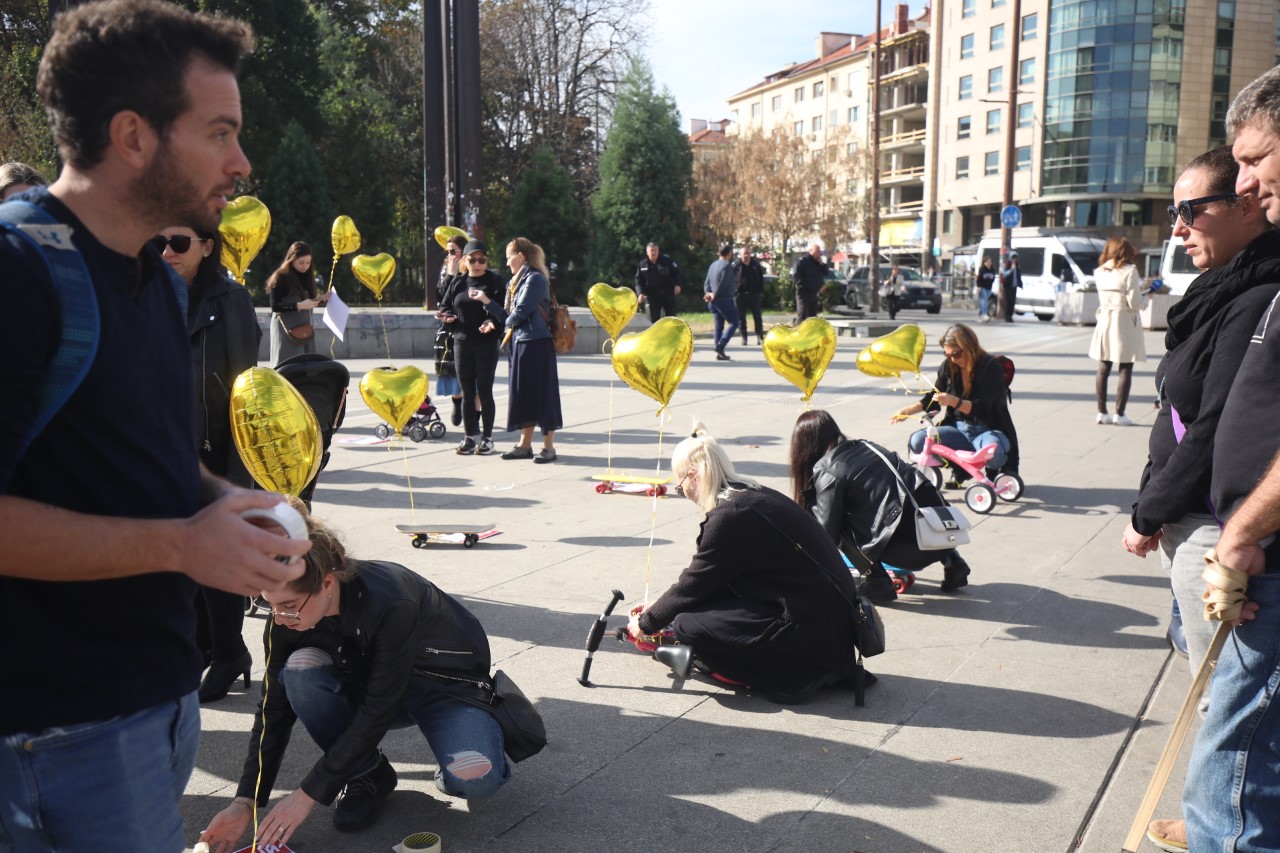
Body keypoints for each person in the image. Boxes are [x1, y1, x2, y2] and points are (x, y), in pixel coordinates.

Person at [0, 4, 309, 851]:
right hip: (56, 734)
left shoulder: (157, 279)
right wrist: (181, 544)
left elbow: (150, 459)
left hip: (155, 701)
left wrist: (231, 501)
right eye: (219, 133)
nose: (241, 163)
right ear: (133, 135)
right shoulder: (19, 271)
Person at [198, 499, 510, 849]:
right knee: (299, 670)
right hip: (367, 683)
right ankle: (368, 772)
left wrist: (307, 795)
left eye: (288, 607)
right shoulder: (285, 617)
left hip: (441, 687)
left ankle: (467, 739)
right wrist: (246, 802)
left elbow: (378, 708)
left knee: (473, 778)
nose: (280, 618)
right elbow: (273, 711)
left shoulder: (391, 598)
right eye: (268, 605)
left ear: (327, 583)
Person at [1146, 65, 1280, 853]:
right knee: (1231, 748)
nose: (1250, 179)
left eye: (1257, 158)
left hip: (1246, 545)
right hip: (1235, 537)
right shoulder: (1232, 288)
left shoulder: (1259, 285)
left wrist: (1239, 530)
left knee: (1232, 767)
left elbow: (1214, 421)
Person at [1121, 145, 1280, 676]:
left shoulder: (1256, 296)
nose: (1177, 229)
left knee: (1218, 701)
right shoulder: (1220, 292)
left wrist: (1149, 512)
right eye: (1174, 214)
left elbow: (1214, 424)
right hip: (1189, 521)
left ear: (1245, 206)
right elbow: (1175, 407)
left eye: (1191, 211)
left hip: (1213, 529)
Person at [625, 422, 870, 704]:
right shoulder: (750, 494)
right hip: (829, 620)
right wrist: (659, 605)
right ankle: (807, 667)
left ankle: (793, 674)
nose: (685, 495)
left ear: (693, 477)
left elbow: (695, 584)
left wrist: (646, 622)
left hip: (808, 625)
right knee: (697, 612)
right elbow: (711, 576)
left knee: (687, 625)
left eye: (680, 488)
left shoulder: (730, 517)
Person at [157, 223, 264, 702]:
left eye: (178, 243)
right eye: (158, 241)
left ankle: (229, 653)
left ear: (206, 246)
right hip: (163, 447)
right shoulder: (148, 291)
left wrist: (238, 471)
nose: (166, 251)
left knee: (216, 559)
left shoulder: (229, 299)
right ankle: (202, 646)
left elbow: (243, 385)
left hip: (213, 448)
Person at [791, 410, 973, 597]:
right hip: (942, 536)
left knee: (839, 523)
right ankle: (954, 563)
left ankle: (876, 580)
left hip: (908, 548)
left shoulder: (827, 468)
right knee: (910, 499)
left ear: (805, 445)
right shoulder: (869, 446)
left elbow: (826, 533)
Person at [891, 323, 1019, 483]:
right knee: (918, 441)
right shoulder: (949, 367)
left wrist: (954, 401)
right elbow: (933, 397)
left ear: (969, 347)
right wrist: (906, 411)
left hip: (986, 429)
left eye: (956, 354)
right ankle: (958, 467)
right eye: (947, 355)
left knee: (996, 454)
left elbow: (982, 408)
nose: (952, 359)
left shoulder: (991, 367)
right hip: (958, 429)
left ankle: (993, 472)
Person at [497, 237, 562, 463]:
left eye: (509, 257)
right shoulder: (516, 281)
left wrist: (501, 322)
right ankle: (524, 445)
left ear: (521, 256)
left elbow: (520, 312)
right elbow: (511, 316)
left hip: (536, 343)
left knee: (544, 395)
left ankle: (549, 447)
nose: (507, 263)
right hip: (521, 342)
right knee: (522, 395)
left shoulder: (534, 279)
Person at [442, 239, 506, 455]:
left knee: (485, 391)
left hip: (486, 344)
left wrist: (492, 323)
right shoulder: (458, 282)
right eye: (473, 259)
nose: (477, 264)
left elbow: (503, 313)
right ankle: (470, 436)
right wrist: (448, 318)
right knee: (467, 392)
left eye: (482, 260)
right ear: (465, 260)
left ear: (487, 261)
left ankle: (487, 438)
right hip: (461, 342)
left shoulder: (495, 281)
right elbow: (445, 306)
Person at [1088, 237, 1146, 425]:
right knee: (1125, 367)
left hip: (1104, 319)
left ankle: (1101, 411)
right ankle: (1119, 414)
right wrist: (1147, 297)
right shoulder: (1130, 271)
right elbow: (1135, 303)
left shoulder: (1099, 272)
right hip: (1123, 322)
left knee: (1103, 367)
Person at [267, 240, 326, 367]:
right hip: (286, 328)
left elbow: (309, 300)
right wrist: (298, 306)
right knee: (286, 363)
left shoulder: (307, 275)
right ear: (291, 260)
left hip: (304, 327)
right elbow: (275, 306)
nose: (305, 266)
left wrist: (321, 299)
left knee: (307, 364)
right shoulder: (280, 277)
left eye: (308, 262)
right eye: (301, 262)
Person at [436, 233, 468, 426]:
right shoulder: (446, 269)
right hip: (449, 326)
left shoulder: (474, 266)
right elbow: (441, 297)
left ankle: (474, 413)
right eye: (447, 251)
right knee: (452, 369)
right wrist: (450, 274)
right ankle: (457, 400)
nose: (450, 255)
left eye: (453, 251)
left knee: (472, 373)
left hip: (470, 325)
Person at [703, 243, 739, 361]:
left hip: (713, 302)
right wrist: (714, 295)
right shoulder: (727, 266)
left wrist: (708, 293)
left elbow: (707, 283)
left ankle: (720, 352)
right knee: (734, 322)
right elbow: (722, 283)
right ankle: (721, 345)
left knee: (719, 326)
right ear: (729, 253)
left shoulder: (713, 265)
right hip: (723, 299)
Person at [634, 241, 683, 322]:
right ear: (647, 252)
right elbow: (638, 280)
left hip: (667, 292)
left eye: (655, 250)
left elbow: (677, 272)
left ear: (658, 251)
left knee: (671, 317)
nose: (654, 252)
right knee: (653, 319)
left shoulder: (666, 261)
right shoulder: (643, 265)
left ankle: (671, 333)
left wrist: (677, 284)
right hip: (652, 295)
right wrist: (640, 293)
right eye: (651, 250)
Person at [732, 244, 765, 346]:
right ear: (740, 255)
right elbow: (731, 279)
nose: (746, 255)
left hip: (754, 294)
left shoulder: (756, 265)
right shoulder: (736, 265)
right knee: (741, 317)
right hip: (740, 294)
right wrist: (734, 290)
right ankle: (744, 337)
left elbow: (761, 279)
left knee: (757, 316)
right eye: (744, 254)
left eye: (747, 253)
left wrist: (760, 291)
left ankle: (760, 336)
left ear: (750, 254)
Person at [792, 242, 827, 321]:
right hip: (804, 292)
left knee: (812, 317)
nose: (819, 253)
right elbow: (796, 276)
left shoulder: (817, 262)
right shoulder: (803, 261)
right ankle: (799, 332)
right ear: (810, 251)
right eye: (817, 251)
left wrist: (822, 264)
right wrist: (804, 286)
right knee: (803, 315)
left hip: (814, 293)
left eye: (819, 251)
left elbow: (826, 273)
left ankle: (811, 333)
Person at [999, 252, 1021, 322]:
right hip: (1008, 285)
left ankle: (1010, 316)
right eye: (1013, 258)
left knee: (1013, 301)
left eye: (1015, 258)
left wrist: (1020, 283)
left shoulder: (1017, 265)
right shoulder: (1007, 264)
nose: (1014, 260)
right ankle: (1007, 316)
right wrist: (1011, 269)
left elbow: (1018, 275)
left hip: (1014, 286)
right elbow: (1004, 274)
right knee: (1009, 300)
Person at [975, 256, 997, 323]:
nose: (989, 263)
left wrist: (990, 280)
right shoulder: (982, 269)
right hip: (982, 287)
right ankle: (984, 315)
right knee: (983, 301)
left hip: (989, 287)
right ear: (984, 263)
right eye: (987, 262)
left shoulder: (992, 269)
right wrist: (978, 286)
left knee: (986, 301)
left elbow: (993, 278)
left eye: (990, 262)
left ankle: (981, 315)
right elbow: (979, 279)